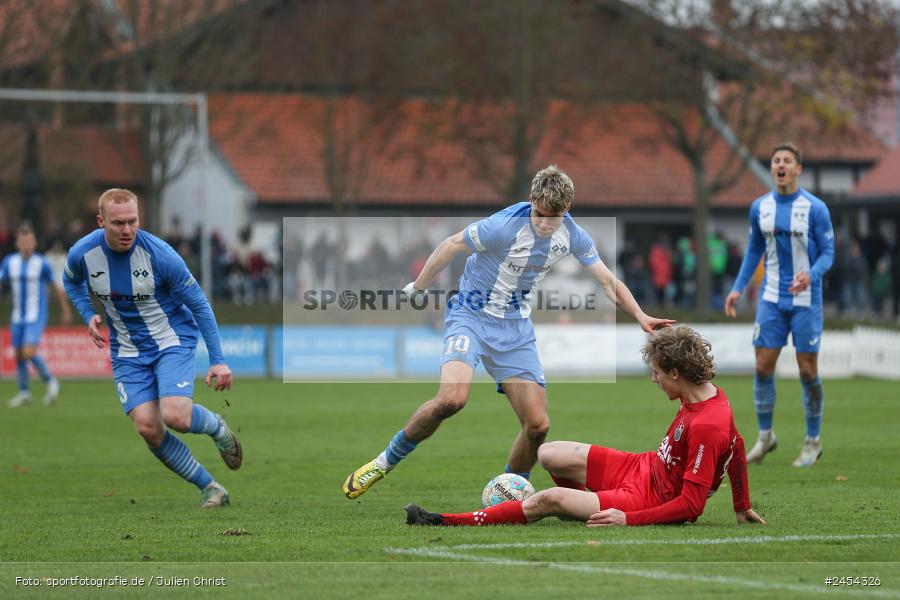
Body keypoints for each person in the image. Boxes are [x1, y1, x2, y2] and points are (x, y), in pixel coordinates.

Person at [343, 165, 674, 499]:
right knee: (452, 400)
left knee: (538, 426)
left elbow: (606, 281)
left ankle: (510, 494)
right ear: (531, 201)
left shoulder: (573, 235)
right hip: (469, 316)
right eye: (540, 214)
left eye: (554, 217)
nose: (546, 224)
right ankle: (383, 462)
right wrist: (419, 286)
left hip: (515, 328)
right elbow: (452, 244)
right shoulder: (503, 226)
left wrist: (639, 315)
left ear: (567, 210)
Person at [405, 326, 765, 527]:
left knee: (549, 499)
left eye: (656, 373)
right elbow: (737, 446)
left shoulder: (709, 424)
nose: (653, 380)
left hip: (649, 498)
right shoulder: (708, 395)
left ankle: (443, 521)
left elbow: (691, 505)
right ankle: (582, 509)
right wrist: (742, 504)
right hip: (643, 467)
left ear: (676, 372)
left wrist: (627, 519)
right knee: (547, 453)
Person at [62, 189, 242, 508]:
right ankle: (211, 488)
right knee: (148, 427)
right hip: (126, 351)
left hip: (171, 340)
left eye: (133, 221)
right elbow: (72, 281)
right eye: (118, 223)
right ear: (101, 221)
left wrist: (218, 360)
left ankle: (217, 427)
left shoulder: (161, 255)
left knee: (176, 416)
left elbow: (199, 303)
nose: (127, 230)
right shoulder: (82, 253)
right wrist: (88, 312)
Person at [724, 142, 834, 468]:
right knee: (761, 367)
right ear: (772, 168)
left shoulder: (815, 208)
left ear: (798, 169)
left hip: (805, 299)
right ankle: (766, 437)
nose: (781, 165)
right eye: (776, 160)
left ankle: (813, 440)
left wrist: (810, 276)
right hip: (771, 298)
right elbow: (753, 250)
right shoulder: (760, 207)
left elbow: (829, 254)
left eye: (787, 160)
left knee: (807, 370)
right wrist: (737, 288)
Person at [0, 222, 72, 407]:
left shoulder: (41, 263)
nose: (26, 245)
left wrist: (65, 310)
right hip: (17, 316)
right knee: (18, 354)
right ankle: (24, 393)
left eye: (29, 241)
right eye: (22, 241)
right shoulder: (10, 262)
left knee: (28, 351)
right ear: (17, 243)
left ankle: (51, 381)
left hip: (36, 315)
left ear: (34, 243)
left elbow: (55, 286)